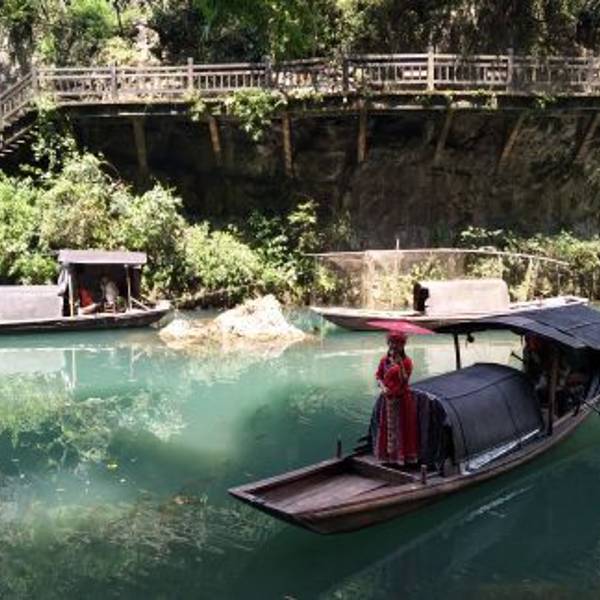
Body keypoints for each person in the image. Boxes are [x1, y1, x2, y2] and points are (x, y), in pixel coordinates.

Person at [373, 332, 419, 464]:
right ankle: (388, 456)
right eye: (392, 342)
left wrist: (401, 365)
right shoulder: (384, 360)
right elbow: (378, 376)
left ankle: (402, 457)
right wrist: (383, 387)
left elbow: (405, 380)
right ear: (388, 344)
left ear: (403, 345)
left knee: (402, 428)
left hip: (401, 399)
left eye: (397, 343)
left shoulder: (407, 361)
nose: (394, 346)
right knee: (387, 427)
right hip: (387, 398)